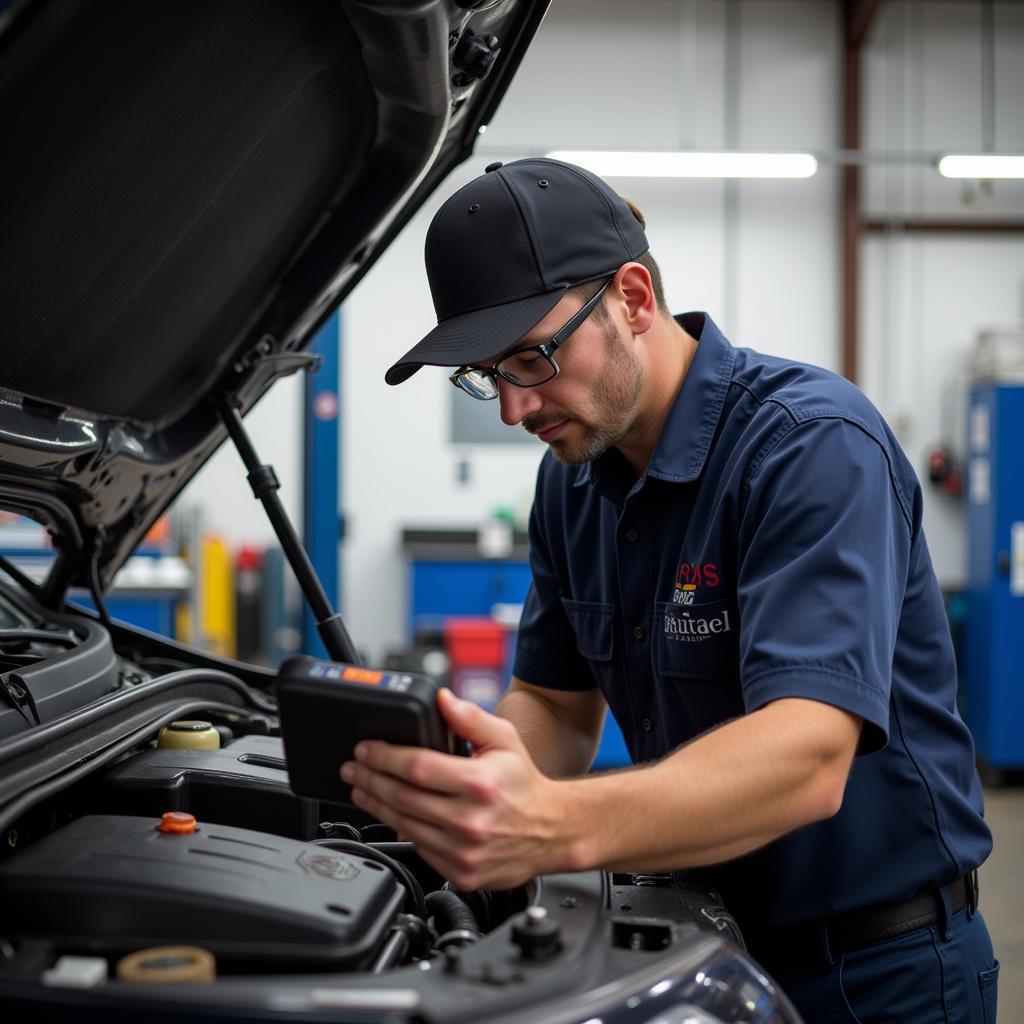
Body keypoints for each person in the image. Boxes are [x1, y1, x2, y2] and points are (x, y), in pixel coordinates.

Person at [341, 158, 998, 1021]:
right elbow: (554, 701)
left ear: (634, 297)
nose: (512, 410)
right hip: (703, 941)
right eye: (485, 376)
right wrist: (473, 791)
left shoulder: (810, 447)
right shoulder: (570, 483)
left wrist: (554, 823)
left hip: (877, 971)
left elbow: (809, 758)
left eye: (532, 359)